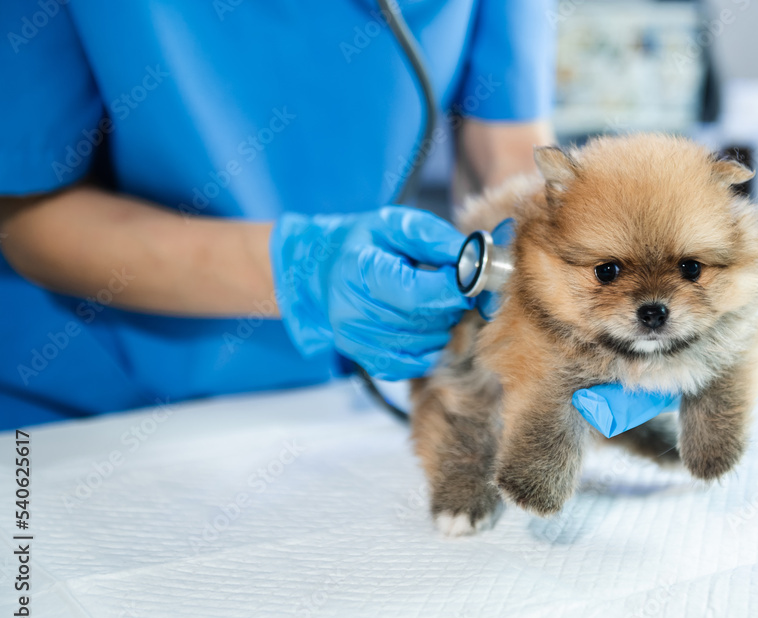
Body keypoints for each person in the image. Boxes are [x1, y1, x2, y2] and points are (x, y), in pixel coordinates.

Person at [0, 0, 675, 433]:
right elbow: (28, 217)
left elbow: (508, 159)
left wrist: (578, 289)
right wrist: (305, 269)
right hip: (89, 407)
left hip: (336, 396)